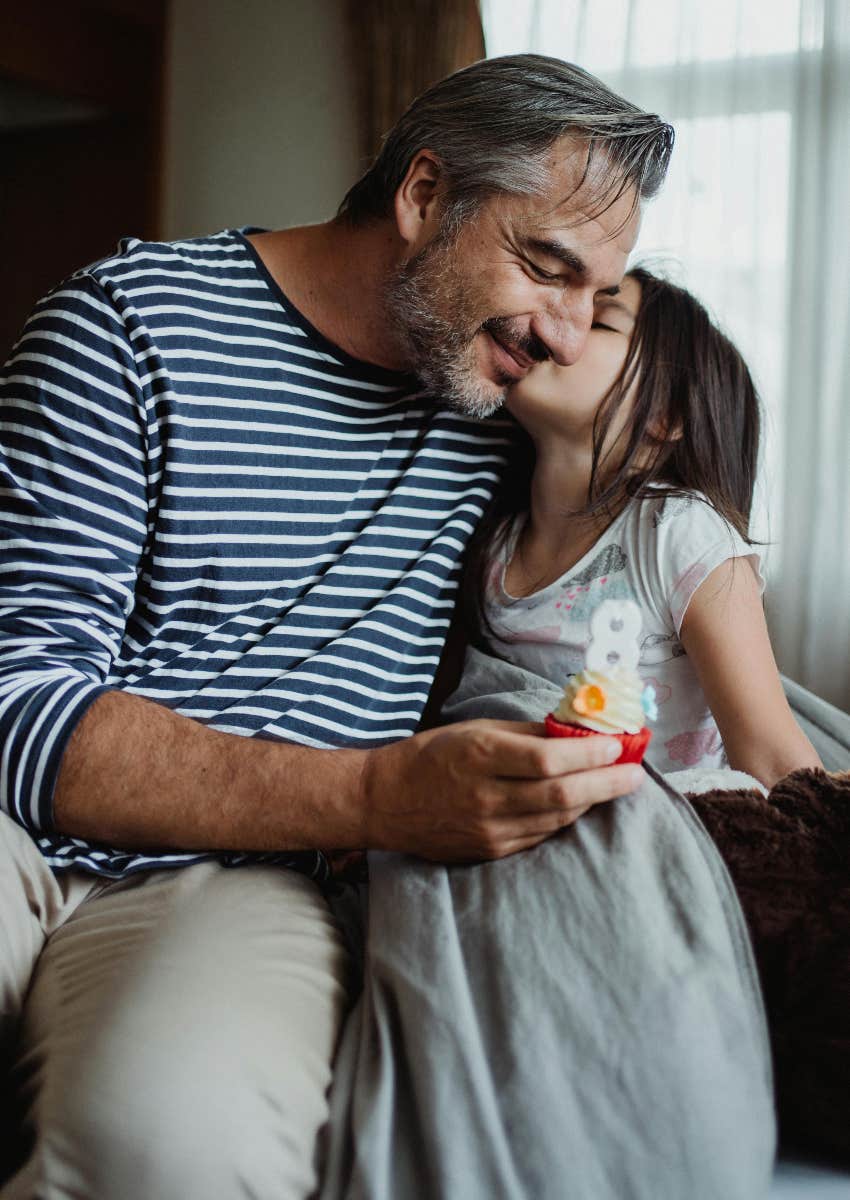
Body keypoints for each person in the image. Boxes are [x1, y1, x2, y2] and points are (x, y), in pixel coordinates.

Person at [0, 56, 674, 1198]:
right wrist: (372, 797)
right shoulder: (126, 325)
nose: (564, 333)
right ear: (422, 196)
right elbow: (18, 699)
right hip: (18, 827)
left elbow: (685, 464)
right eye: (544, 266)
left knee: (172, 1146)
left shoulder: (510, 411)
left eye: (595, 296)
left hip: (246, 877)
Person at [463, 266, 821, 789]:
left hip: (667, 829)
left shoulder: (681, 533)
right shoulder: (493, 545)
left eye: (601, 322)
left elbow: (773, 758)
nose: (557, 326)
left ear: (664, 413)